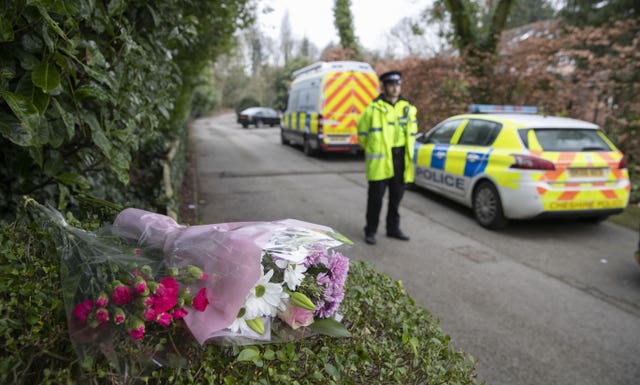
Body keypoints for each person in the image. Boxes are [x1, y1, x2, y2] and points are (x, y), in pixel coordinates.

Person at [357, 70, 418, 245]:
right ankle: (370, 230)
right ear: (384, 87)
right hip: (380, 161)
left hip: (401, 160)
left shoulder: (408, 109)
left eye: (397, 84)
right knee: (375, 200)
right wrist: (373, 147)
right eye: (391, 85)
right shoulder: (372, 110)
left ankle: (393, 229)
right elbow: (362, 135)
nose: (395, 88)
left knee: (396, 199)